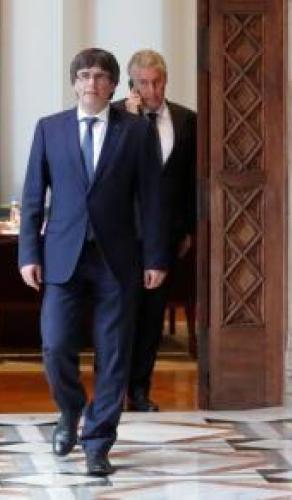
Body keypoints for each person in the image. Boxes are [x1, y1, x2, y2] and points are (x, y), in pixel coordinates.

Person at [18, 48, 168, 476]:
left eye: (101, 76)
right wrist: (28, 254)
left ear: (114, 85)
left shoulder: (136, 132)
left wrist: (156, 257)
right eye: (84, 75)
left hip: (117, 261)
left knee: (114, 354)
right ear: (74, 83)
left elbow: (153, 200)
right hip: (62, 257)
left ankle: (98, 442)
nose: (92, 83)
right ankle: (70, 410)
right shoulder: (49, 129)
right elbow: (33, 196)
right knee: (55, 345)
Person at [116, 49, 196, 412]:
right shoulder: (115, 117)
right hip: (119, 236)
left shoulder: (186, 120)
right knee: (116, 317)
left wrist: (188, 229)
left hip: (163, 236)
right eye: (144, 83)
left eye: (157, 82)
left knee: (151, 319)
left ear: (166, 80)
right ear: (132, 84)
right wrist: (130, 120)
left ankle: (139, 392)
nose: (151, 90)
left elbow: (191, 181)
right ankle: (111, 393)